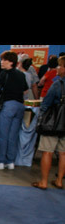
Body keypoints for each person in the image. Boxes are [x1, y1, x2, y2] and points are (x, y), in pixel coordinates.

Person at [0, 51, 28, 171]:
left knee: (2, 135)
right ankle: (10, 161)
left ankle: (0, 161)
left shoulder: (3, 74)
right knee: (13, 135)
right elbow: (25, 90)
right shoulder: (21, 75)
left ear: (10, 62)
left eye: (4, 60)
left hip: (7, 106)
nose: (1, 62)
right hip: (20, 106)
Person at [32, 55, 65, 190]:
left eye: (60, 65)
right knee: (63, 153)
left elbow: (46, 103)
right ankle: (59, 180)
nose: (58, 68)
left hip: (53, 122)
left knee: (47, 151)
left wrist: (41, 118)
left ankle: (43, 181)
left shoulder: (57, 84)